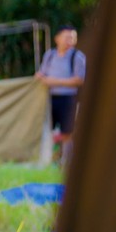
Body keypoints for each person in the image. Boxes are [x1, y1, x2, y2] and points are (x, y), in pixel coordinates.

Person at [35, 25, 86, 166]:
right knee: (49, 130)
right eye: (67, 37)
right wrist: (40, 77)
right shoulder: (50, 55)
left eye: (72, 38)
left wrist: (54, 81)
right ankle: (51, 160)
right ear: (57, 38)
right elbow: (42, 73)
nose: (69, 40)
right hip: (50, 98)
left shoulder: (77, 56)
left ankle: (67, 162)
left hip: (68, 98)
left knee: (67, 132)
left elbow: (79, 80)